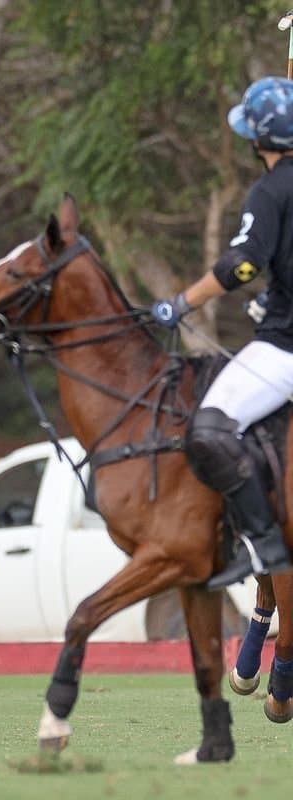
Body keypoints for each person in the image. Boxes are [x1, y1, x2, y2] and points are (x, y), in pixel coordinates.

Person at [151, 76, 293, 589]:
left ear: (258, 140)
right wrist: (271, 299)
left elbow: (244, 264)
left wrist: (181, 303)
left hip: (287, 350)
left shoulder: (271, 190)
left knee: (209, 429)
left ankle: (263, 545)